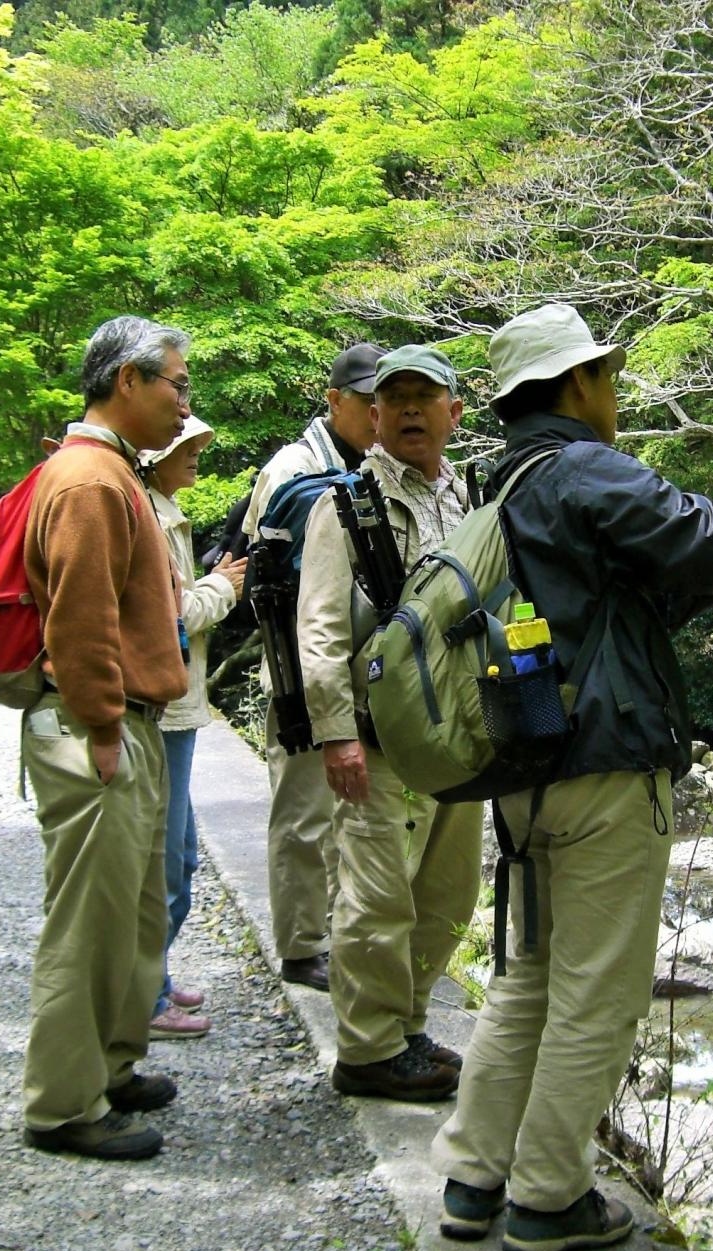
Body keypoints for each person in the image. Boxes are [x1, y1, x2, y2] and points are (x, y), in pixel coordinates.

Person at [429, 304, 713, 1251]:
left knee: (529, 978)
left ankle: (472, 1180)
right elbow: (700, 539)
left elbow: (641, 597)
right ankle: (546, 1198)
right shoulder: (582, 466)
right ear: (576, 386)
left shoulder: (502, 486)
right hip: (606, 770)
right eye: (606, 376)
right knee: (599, 992)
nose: (613, 392)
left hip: (527, 767)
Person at [18, 315, 195, 1161]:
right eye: (176, 383)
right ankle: (62, 1106)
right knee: (90, 922)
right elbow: (79, 616)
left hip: (129, 719)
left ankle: (112, 1068)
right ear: (128, 381)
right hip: (103, 723)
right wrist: (96, 725)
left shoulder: (106, 472)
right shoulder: (90, 480)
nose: (182, 402)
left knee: (131, 915)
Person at [294, 345, 481, 1101]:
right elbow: (319, 631)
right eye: (393, 398)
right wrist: (335, 733)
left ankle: (405, 1027)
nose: (408, 410)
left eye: (423, 398)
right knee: (375, 898)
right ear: (370, 416)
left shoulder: (469, 501)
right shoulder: (341, 505)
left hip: (458, 738)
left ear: (453, 414)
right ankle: (367, 1051)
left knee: (447, 896)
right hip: (377, 739)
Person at [242, 342, 384, 992]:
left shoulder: (376, 466)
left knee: (351, 816)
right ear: (334, 401)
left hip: (361, 673)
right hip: (302, 674)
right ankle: (302, 948)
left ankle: (339, 934)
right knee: (302, 814)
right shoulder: (291, 469)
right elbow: (264, 578)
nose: (380, 414)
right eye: (367, 401)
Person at [136, 414, 248, 1040]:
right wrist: (224, 587)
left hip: (176, 710)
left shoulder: (164, 511)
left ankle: (150, 977)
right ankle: (144, 995)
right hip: (166, 711)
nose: (199, 455)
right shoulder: (151, 517)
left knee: (176, 856)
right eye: (190, 447)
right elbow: (172, 616)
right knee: (168, 862)